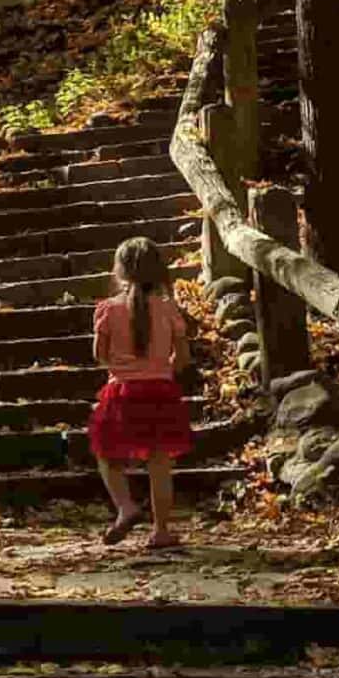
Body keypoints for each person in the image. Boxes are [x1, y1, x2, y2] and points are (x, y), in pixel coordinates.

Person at [88, 234, 196, 548]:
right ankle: (161, 530)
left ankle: (126, 507)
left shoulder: (108, 309)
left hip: (121, 392)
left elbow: (99, 355)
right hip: (161, 392)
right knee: (160, 463)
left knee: (107, 456)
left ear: (119, 271)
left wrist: (123, 368)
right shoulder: (168, 308)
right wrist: (163, 369)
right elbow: (184, 358)